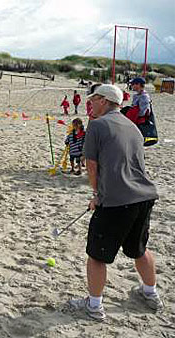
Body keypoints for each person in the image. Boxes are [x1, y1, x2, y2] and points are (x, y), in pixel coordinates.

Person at [68, 84, 162, 321]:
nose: (90, 104)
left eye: (93, 100)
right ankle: (150, 293)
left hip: (117, 201)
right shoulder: (133, 127)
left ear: (104, 101)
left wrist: (97, 194)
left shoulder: (97, 125)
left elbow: (91, 166)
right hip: (144, 196)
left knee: (97, 255)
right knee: (139, 249)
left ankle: (94, 306)